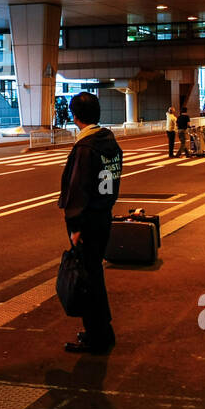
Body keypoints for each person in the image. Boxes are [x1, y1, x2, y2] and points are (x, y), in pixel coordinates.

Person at [58, 91, 123, 354]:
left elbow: (79, 188)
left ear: (74, 116)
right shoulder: (108, 142)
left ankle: (99, 337)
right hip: (103, 216)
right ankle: (100, 331)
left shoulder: (86, 147)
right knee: (94, 274)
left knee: (89, 279)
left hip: (88, 222)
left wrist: (75, 227)